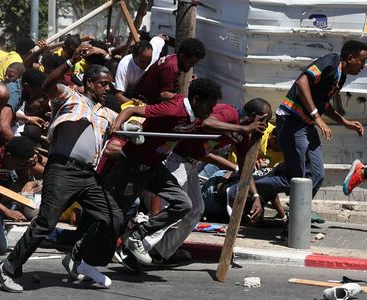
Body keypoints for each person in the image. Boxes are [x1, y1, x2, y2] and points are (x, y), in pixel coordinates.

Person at [0, 43, 122, 292]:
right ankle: (7, 270)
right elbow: (47, 85)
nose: (108, 87)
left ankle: (81, 259)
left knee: (113, 216)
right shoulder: (70, 95)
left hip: (87, 175)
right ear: (90, 83)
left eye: (109, 84)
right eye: (103, 83)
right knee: (46, 222)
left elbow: (122, 128)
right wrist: (71, 61)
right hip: (62, 170)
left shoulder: (107, 112)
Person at [106, 78, 226, 270]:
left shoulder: (193, 111)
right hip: (134, 165)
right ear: (196, 100)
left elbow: (170, 96)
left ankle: (137, 236)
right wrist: (117, 125)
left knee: (184, 204)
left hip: (154, 167)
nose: (210, 112)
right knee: (114, 214)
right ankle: (83, 254)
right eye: (208, 107)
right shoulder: (173, 110)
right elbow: (132, 110)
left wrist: (242, 129)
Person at [143, 99, 270, 266]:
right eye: (265, 120)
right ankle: (140, 246)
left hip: (191, 165)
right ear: (254, 116)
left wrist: (255, 196)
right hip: (175, 159)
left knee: (196, 209)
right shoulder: (230, 112)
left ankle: (161, 252)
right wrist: (244, 128)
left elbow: (244, 167)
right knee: (175, 208)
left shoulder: (242, 135)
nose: (267, 126)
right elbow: (208, 122)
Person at [254, 40, 367, 202]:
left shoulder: (340, 78)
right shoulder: (330, 62)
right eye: (362, 60)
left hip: (306, 124)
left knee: (317, 176)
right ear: (350, 58)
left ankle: (297, 217)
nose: (363, 66)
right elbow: (302, 82)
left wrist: (345, 122)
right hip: (291, 121)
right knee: (296, 179)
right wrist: (317, 118)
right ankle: (245, 187)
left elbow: (324, 104)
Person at [133, 38, 205, 104]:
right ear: (182, 56)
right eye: (191, 62)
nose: (192, 66)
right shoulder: (171, 67)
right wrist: (185, 100)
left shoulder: (173, 59)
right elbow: (164, 95)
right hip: (142, 102)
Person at [113, 35, 167, 104]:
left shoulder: (153, 53)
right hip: (129, 94)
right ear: (134, 56)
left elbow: (161, 38)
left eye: (149, 61)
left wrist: (165, 37)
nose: (146, 64)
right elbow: (118, 96)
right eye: (142, 61)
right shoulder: (124, 65)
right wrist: (137, 104)